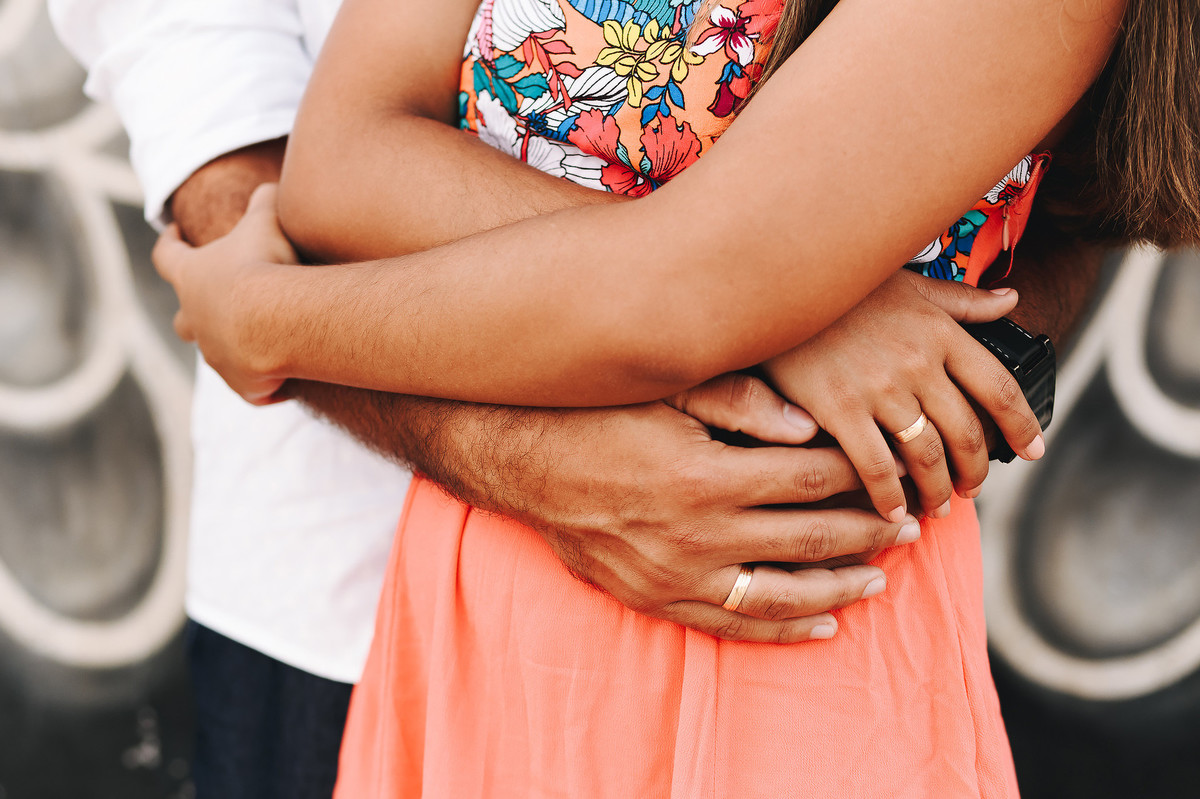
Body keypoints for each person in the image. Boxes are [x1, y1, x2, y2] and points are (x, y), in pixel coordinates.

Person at [44, 0, 1113, 795]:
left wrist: (268, 319)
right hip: (437, 594)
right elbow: (328, 156)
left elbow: (693, 285)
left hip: (780, 611)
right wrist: (788, 304)